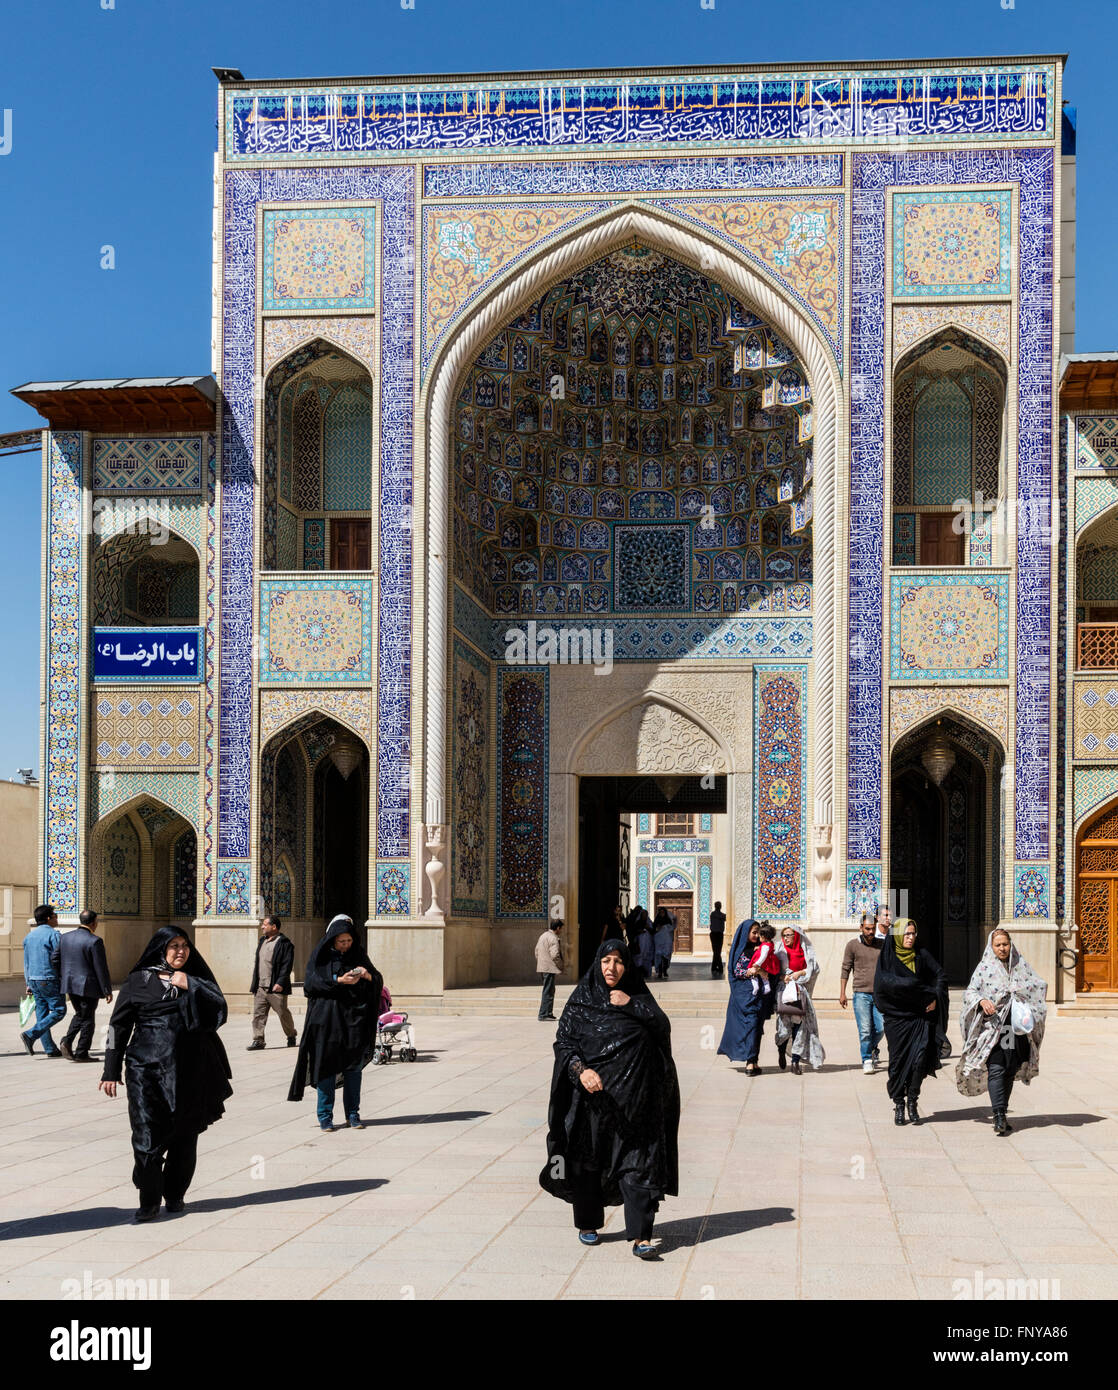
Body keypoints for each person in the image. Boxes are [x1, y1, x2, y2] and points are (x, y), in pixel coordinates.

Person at [539, 939, 679, 1259]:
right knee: (588, 1163)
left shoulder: (637, 997)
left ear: (627, 966)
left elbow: (662, 1028)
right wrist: (580, 1070)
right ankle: (588, 1223)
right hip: (592, 1102)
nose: (611, 968)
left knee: (637, 1164)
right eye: (606, 961)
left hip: (634, 1102)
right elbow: (564, 1043)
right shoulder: (582, 1000)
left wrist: (631, 1004)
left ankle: (641, 1236)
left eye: (618, 961)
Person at [98, 926, 232, 1222]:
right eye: (173, 946)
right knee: (146, 1137)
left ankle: (174, 1195)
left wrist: (190, 986)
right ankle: (148, 1200)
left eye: (184, 945)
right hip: (146, 1072)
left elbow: (219, 1011)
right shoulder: (137, 982)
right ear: (160, 949)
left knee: (185, 1137)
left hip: (190, 1071)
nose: (180, 951)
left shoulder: (196, 980)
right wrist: (110, 1070)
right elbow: (117, 1027)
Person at [288, 915, 382, 1131]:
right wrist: (338, 980)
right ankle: (325, 1116)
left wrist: (367, 976)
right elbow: (311, 985)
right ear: (332, 940)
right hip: (327, 1023)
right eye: (341, 942)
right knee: (326, 1070)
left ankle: (353, 1114)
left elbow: (377, 981)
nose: (345, 945)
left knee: (353, 1069)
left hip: (352, 1023)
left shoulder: (359, 956)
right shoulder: (320, 957)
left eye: (348, 941)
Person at [956, 928, 1048, 1136]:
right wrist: (982, 1001)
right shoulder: (985, 967)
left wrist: (1020, 994)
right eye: (998, 945)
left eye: (1005, 944)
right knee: (996, 1067)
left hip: (1015, 1029)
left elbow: (1038, 985)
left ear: (1010, 944)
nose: (1002, 948)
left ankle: (1003, 1112)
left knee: (1009, 1067)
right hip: (993, 1028)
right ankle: (998, 1115)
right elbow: (971, 991)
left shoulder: (1020, 966)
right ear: (992, 946)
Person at [873, 918, 948, 1126]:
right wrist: (912, 989)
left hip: (920, 1018)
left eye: (913, 933)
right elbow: (882, 988)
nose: (911, 937)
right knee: (897, 1062)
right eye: (907, 934)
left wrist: (934, 998)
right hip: (897, 1020)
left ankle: (913, 1100)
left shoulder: (921, 955)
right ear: (897, 936)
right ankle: (898, 1103)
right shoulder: (887, 959)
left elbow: (940, 976)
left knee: (919, 1061)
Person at [59, 909, 112, 1062]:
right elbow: (100, 968)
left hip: (70, 984)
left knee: (80, 1014)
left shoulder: (65, 938)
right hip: (88, 986)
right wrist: (107, 989)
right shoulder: (94, 941)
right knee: (88, 1018)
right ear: (94, 923)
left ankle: (67, 1041)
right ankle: (81, 1052)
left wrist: (63, 977)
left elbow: (55, 958)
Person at [718, 920, 769, 1076]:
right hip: (743, 997)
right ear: (746, 933)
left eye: (758, 933)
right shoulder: (739, 951)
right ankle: (750, 1062)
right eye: (753, 932)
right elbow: (737, 972)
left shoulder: (760, 950)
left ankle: (753, 1061)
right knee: (750, 1027)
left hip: (758, 996)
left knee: (756, 1028)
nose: (756, 936)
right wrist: (757, 972)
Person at [774, 926, 824, 1074]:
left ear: (796, 936)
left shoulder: (804, 950)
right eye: (784, 935)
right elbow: (773, 970)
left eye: (789, 935)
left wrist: (799, 973)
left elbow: (812, 968)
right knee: (783, 1028)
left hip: (799, 992)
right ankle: (781, 1051)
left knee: (799, 1028)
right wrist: (783, 977)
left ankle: (795, 1061)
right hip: (784, 992)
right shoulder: (779, 950)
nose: (786, 938)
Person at [840, 911, 885, 1074]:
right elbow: (845, 969)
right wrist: (842, 993)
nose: (870, 932)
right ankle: (866, 1059)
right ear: (861, 928)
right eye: (867, 929)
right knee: (865, 1029)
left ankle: (872, 1048)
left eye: (873, 929)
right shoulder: (852, 945)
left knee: (880, 1028)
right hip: (861, 994)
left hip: (879, 994)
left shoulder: (881, 944)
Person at [19, 903, 65, 1057]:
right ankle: (30, 1034)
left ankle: (50, 1049)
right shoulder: (53, 935)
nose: (57, 918)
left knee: (42, 1013)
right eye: (55, 916)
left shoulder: (29, 936)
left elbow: (26, 961)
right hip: (48, 978)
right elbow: (60, 959)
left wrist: (28, 982)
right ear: (48, 918)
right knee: (59, 1010)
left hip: (33, 979)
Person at [246, 914, 297, 1050]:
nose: (262, 926)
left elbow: (287, 965)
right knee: (258, 1015)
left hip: (275, 987)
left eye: (265, 924)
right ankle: (258, 1040)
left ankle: (291, 1035)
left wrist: (280, 982)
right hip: (260, 987)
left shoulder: (285, 944)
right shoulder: (262, 940)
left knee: (282, 1013)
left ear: (273, 927)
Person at [535, 918, 564, 1021]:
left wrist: (541, 962)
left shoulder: (543, 936)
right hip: (549, 968)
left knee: (549, 990)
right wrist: (560, 966)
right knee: (548, 990)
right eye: (561, 929)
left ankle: (548, 1012)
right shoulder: (553, 938)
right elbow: (555, 955)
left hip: (543, 967)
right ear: (557, 928)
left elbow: (536, 951)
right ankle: (543, 1014)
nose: (561, 931)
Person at [652, 906, 675, 980]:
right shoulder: (657, 920)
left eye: (663, 912)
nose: (662, 914)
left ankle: (665, 971)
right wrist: (657, 928)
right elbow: (654, 930)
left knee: (665, 957)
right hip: (659, 941)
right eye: (660, 912)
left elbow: (671, 930)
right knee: (659, 956)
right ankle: (659, 972)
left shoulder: (668, 920)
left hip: (667, 941)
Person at [708, 901, 727, 978]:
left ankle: (714, 967)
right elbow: (724, 917)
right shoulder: (716, 914)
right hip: (716, 934)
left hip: (717, 934)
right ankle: (720, 967)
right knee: (717, 951)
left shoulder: (714, 914)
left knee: (716, 951)